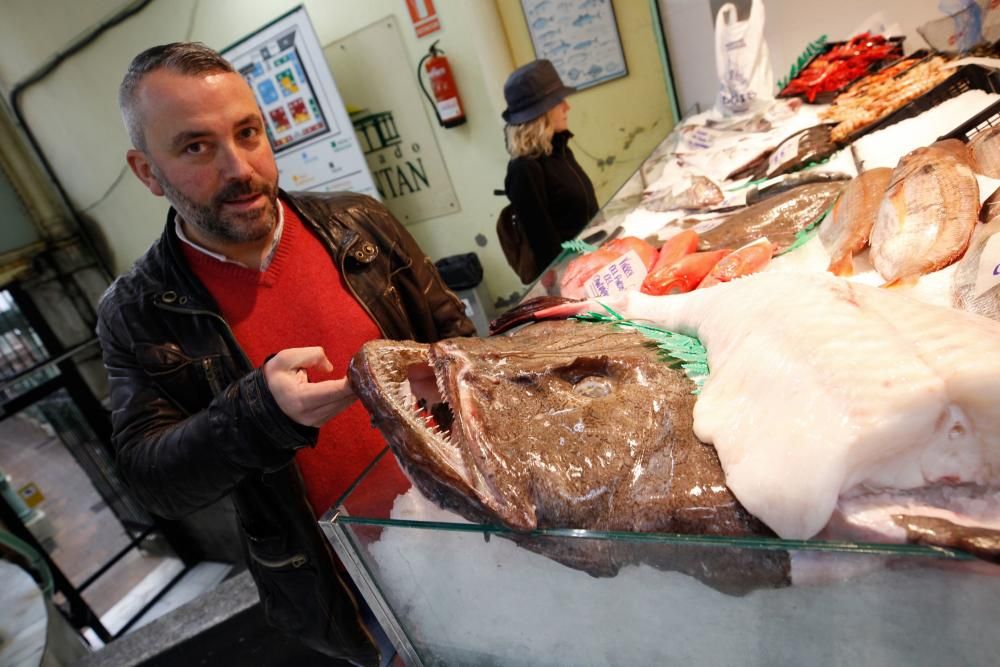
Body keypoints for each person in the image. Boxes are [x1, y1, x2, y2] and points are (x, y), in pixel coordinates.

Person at [96, 42, 474, 665]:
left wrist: (451, 369)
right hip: (357, 589)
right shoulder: (137, 312)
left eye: (249, 133)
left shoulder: (361, 223)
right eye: (196, 147)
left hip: (475, 519)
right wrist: (262, 416)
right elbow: (151, 479)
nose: (240, 167)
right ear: (146, 172)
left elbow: (452, 330)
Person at [502, 59, 599, 274]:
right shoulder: (525, 170)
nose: (567, 106)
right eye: (558, 101)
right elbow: (549, 253)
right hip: (574, 276)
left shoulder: (559, 149)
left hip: (592, 260)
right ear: (540, 114)